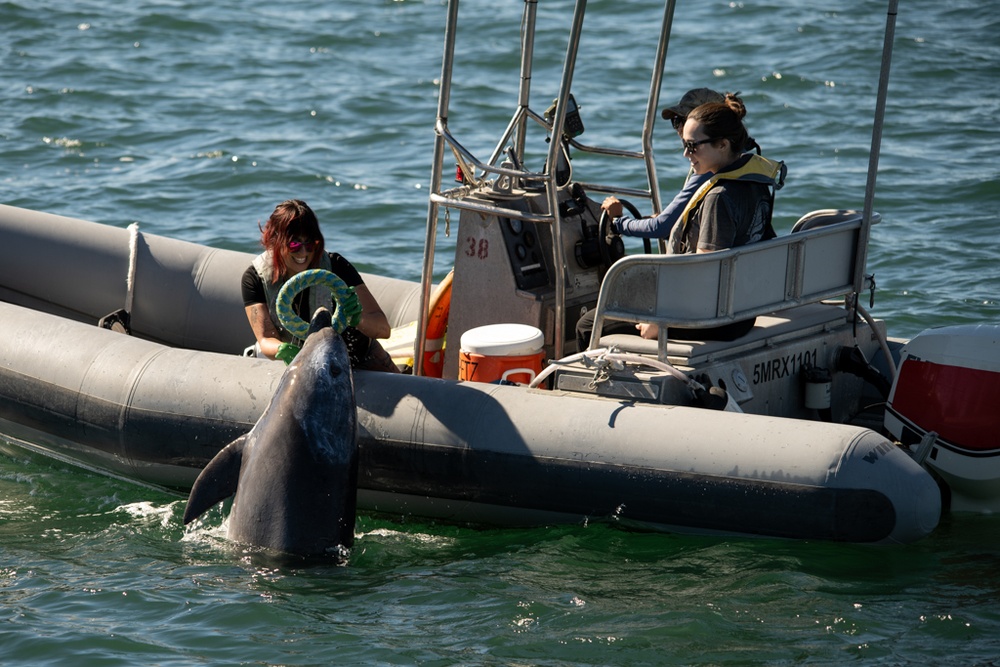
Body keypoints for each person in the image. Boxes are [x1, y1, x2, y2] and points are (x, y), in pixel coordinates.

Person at [577, 91, 785, 349]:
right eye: (685, 145)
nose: (686, 155)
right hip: (741, 312)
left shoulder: (719, 196)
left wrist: (661, 323)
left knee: (588, 323)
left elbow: (703, 274)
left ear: (722, 144)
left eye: (692, 146)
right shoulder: (756, 182)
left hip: (713, 319)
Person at [242, 199, 399, 372]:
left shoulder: (336, 266)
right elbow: (265, 338)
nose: (303, 252)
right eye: (294, 244)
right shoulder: (255, 277)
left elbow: (384, 329)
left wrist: (357, 319)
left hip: (356, 358)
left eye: (309, 244)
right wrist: (281, 349)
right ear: (275, 241)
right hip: (300, 361)